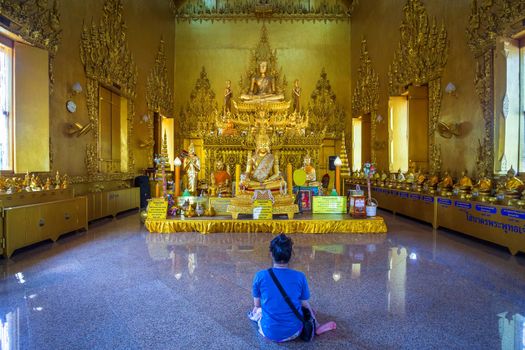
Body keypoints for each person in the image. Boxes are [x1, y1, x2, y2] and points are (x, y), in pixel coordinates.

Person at [249, 234, 336, 342]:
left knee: (258, 311)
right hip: (294, 332)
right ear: (290, 255)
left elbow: (257, 304)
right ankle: (316, 324)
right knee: (305, 307)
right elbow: (303, 302)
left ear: (271, 254)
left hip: (268, 332)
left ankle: (257, 318)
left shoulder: (260, 276)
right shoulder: (300, 276)